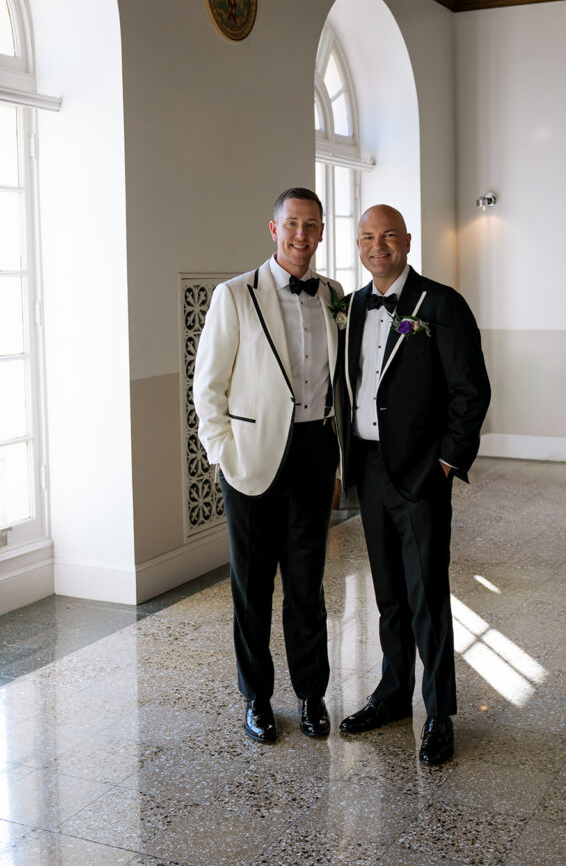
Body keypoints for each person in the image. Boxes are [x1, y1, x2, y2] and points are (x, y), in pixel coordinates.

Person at [338, 204, 490, 765]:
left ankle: (440, 714)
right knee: (388, 596)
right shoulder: (352, 307)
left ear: (406, 240)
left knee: (427, 594)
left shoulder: (440, 304)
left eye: (388, 236)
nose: (378, 246)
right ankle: (392, 694)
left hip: (423, 474)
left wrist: (446, 464)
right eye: (367, 237)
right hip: (370, 471)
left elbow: (471, 391)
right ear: (359, 245)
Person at [193, 188, 343, 744]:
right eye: (292, 224)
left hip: (312, 452)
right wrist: (223, 456)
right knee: (252, 587)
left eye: (312, 225)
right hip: (252, 459)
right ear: (273, 229)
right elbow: (207, 388)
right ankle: (256, 697)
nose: (301, 234)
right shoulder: (235, 296)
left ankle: (311, 695)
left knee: (308, 585)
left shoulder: (333, 294)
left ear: (322, 232)